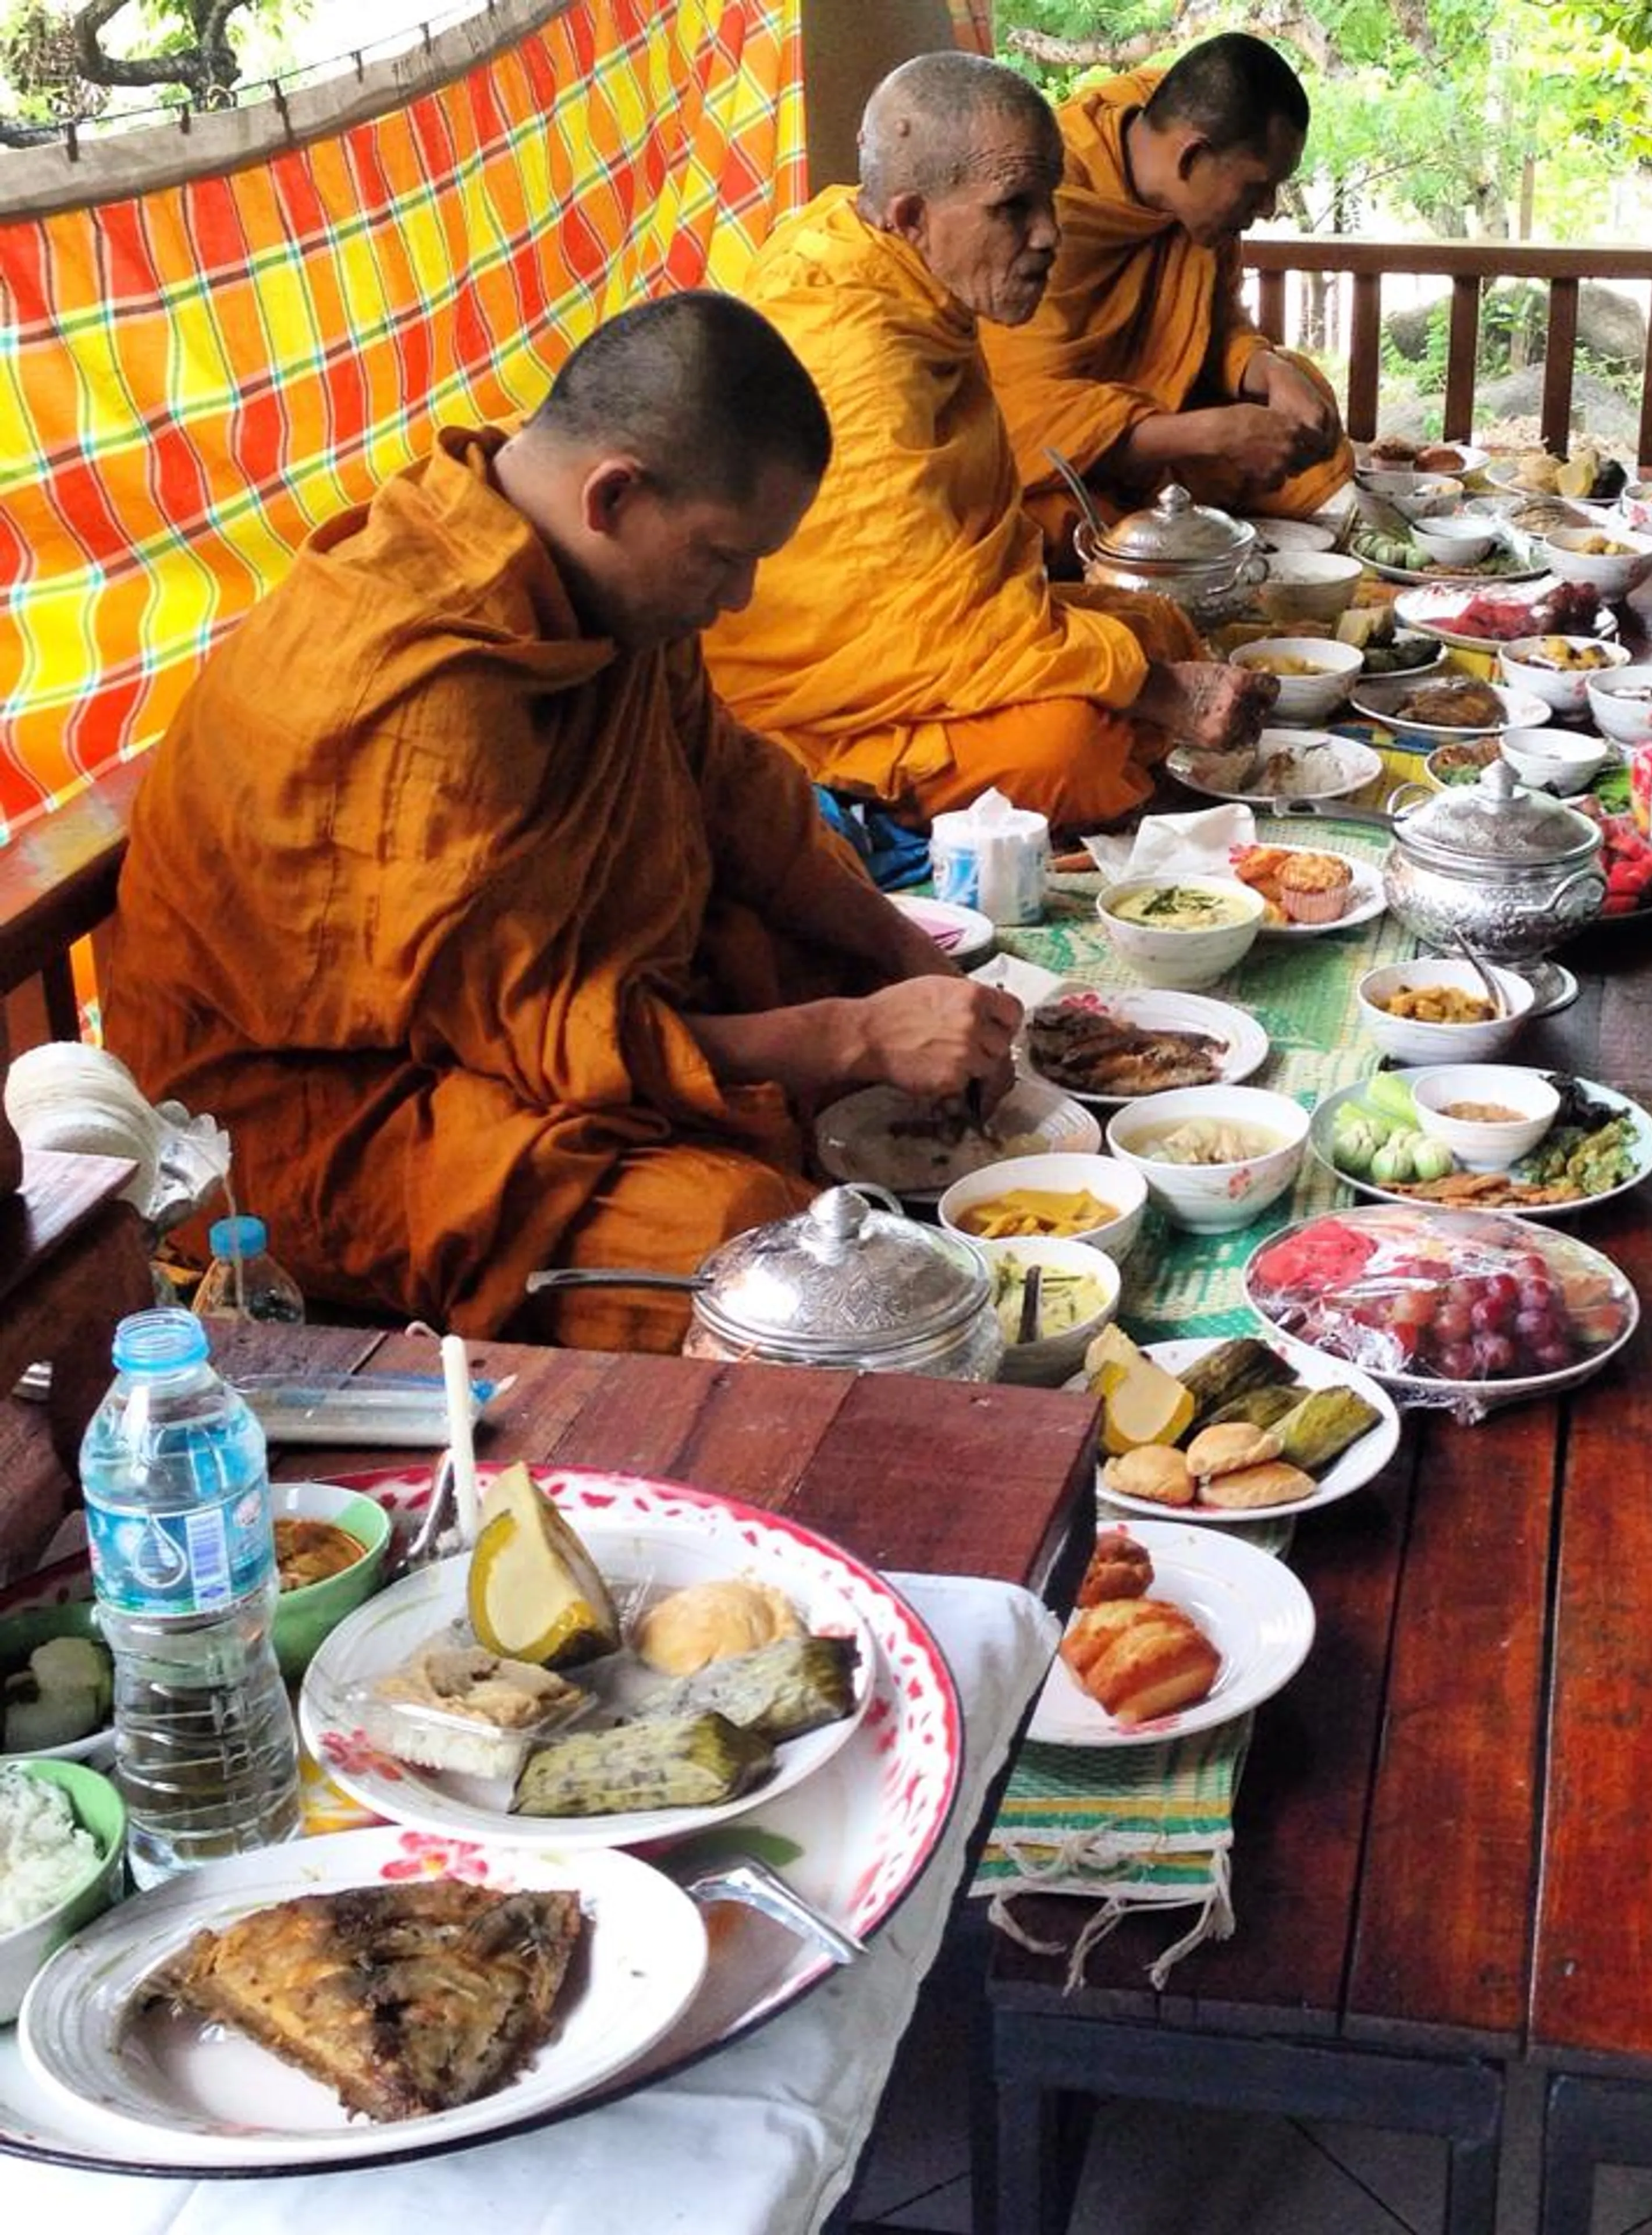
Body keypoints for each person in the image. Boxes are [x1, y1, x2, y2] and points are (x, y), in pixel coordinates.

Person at [105, 293, 1022, 1355]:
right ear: (615, 494)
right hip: (325, 1109)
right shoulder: (424, 692)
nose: (740, 597)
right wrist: (854, 1032)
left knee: (830, 965)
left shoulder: (602, 585)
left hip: (545, 1022)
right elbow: (544, 1030)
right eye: (724, 557)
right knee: (742, 1242)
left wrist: (904, 953)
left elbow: (735, 795)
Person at [702, 52, 1273, 833]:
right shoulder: (856, 351)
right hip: (824, 694)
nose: (1049, 235)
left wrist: (1143, 668)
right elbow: (921, 625)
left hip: (944, 625)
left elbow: (963, 577)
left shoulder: (899, 264)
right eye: (1013, 208)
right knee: (1072, 745)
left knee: (1158, 626)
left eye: (1050, 199)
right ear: (910, 216)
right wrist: (1168, 694)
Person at [980, 31, 1352, 551]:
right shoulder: (1048, 204)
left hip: (1161, 430)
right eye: (1257, 186)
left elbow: (1213, 322)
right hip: (1070, 458)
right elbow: (1023, 417)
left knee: (1305, 403)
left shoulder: (1184, 166)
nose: (1269, 208)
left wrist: (1266, 369)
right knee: (1039, 520)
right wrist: (1218, 433)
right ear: (1191, 156)